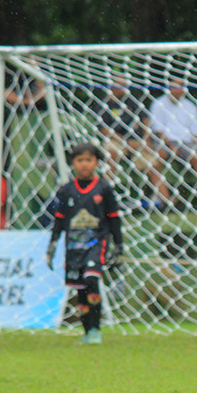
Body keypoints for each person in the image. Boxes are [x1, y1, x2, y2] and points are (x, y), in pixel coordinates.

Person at [46, 143, 123, 345]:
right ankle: (87, 331)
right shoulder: (66, 191)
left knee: (91, 280)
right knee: (80, 289)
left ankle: (96, 329)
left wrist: (119, 245)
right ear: (73, 163)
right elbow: (60, 220)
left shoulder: (104, 188)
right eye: (80, 160)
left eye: (88, 160)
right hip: (73, 246)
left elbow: (114, 218)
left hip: (97, 243)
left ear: (96, 162)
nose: (84, 164)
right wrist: (52, 246)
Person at [148, 76, 197, 207]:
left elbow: (196, 132)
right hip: (165, 142)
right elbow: (158, 130)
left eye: (180, 88)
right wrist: (171, 146)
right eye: (174, 88)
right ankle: (163, 198)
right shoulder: (158, 104)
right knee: (155, 161)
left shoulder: (190, 106)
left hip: (186, 142)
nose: (177, 91)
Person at [98, 75, 161, 194]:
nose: (122, 89)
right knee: (111, 152)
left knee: (154, 162)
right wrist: (125, 142)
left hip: (136, 142)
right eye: (119, 86)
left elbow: (145, 120)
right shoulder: (103, 104)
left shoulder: (131, 101)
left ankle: (165, 201)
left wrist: (147, 141)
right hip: (116, 141)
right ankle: (106, 193)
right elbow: (104, 130)